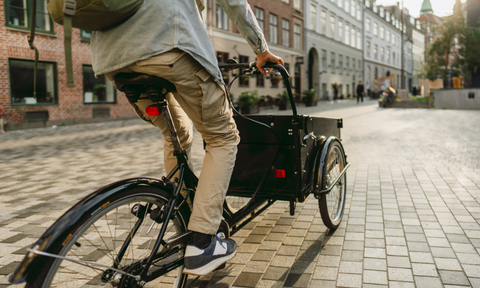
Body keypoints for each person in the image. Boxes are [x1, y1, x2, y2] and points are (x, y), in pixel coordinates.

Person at [90, 0, 284, 276]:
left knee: (177, 133)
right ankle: (203, 242)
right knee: (223, 138)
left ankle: (185, 211)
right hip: (169, 45)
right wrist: (261, 49)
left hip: (114, 58)